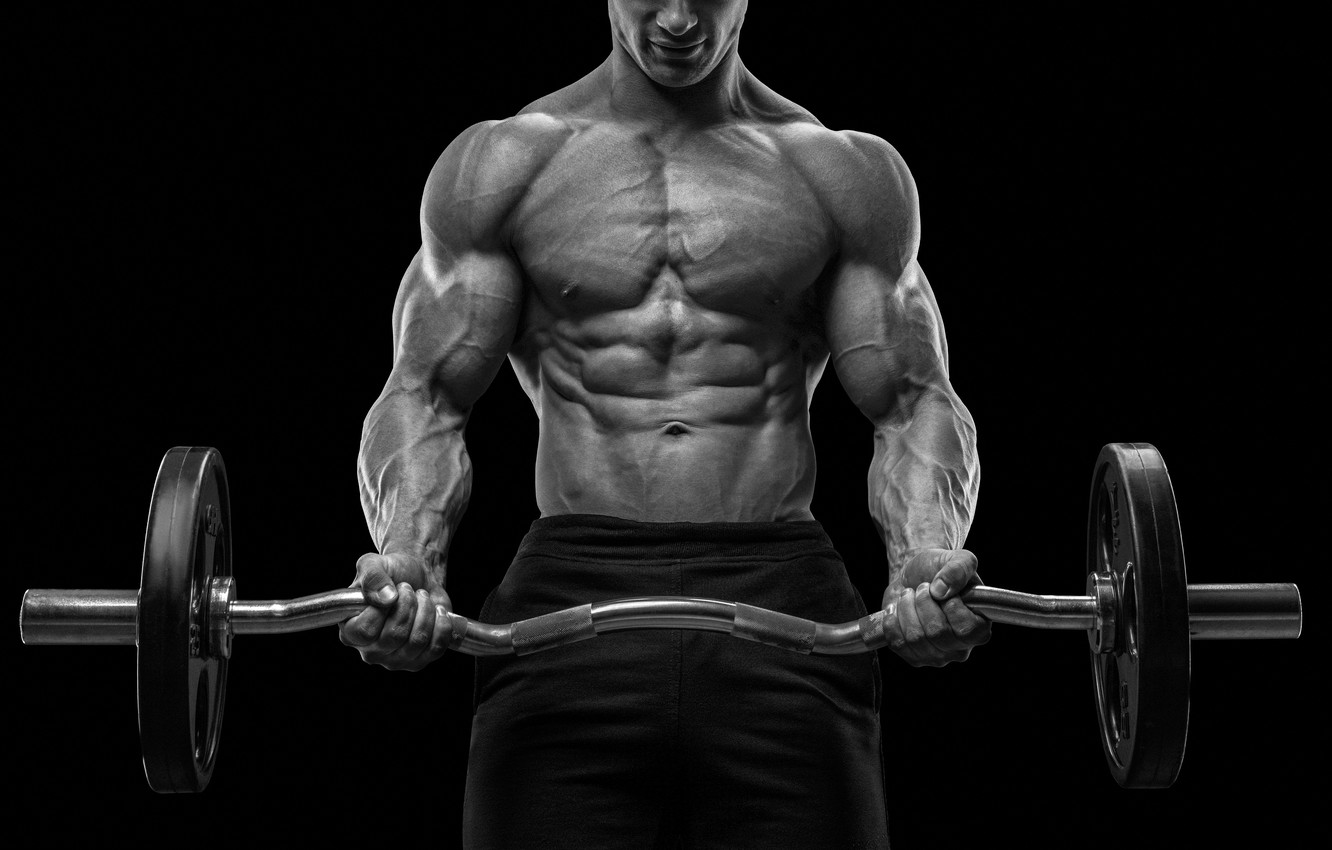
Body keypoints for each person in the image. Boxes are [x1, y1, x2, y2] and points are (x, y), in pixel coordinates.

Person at [339, 1, 989, 846]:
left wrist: (920, 561)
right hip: (568, 594)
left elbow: (913, 401)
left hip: (783, 601)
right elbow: (425, 396)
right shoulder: (503, 165)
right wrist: (410, 564)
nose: (679, 18)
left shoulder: (840, 172)